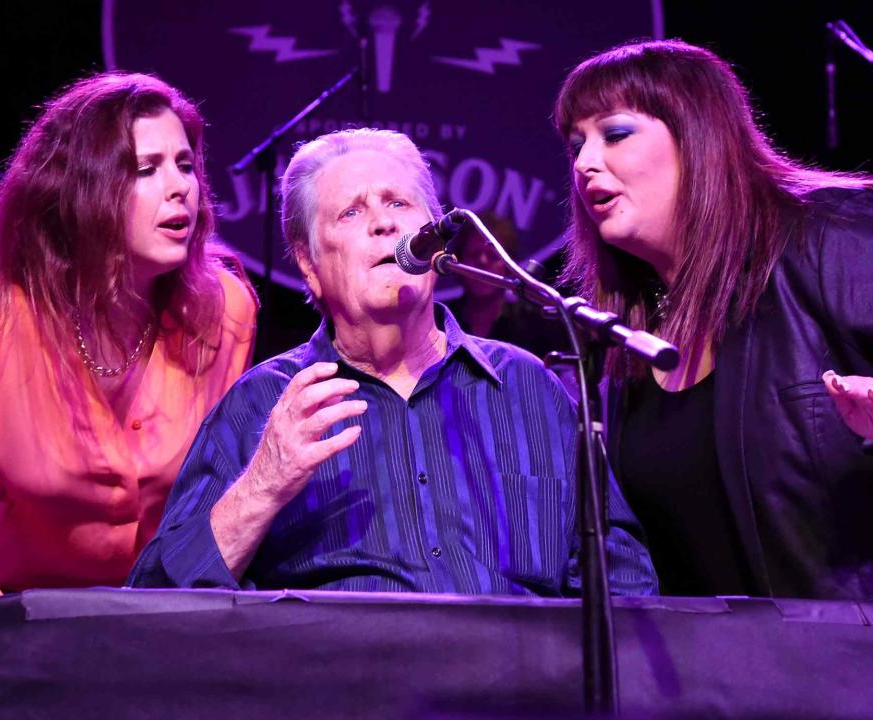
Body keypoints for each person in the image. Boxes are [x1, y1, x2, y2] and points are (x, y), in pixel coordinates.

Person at [128, 128, 657, 596]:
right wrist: (263, 484)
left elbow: (625, 583)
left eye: (400, 204)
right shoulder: (261, 407)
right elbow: (155, 604)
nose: (383, 223)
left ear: (434, 235)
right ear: (310, 264)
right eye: (352, 212)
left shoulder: (528, 388)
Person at [554, 39, 873, 599]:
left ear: (696, 136)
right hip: (724, 681)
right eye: (576, 144)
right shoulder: (624, 336)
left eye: (615, 133)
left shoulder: (834, 236)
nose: (584, 163)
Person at [0, 73, 258, 597]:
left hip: (165, 621)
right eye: (147, 169)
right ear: (83, 192)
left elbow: (217, 503)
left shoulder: (224, 310)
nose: (181, 188)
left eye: (186, 164)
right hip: (22, 627)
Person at [445, 211, 568, 362]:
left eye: (493, 256)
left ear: (510, 266)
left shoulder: (535, 322)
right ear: (458, 261)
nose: (483, 262)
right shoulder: (442, 318)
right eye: (473, 254)